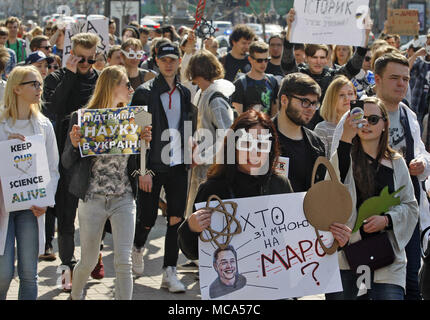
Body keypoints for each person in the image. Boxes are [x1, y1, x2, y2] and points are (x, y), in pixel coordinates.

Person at [178, 109, 352, 262]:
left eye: (261, 145)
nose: (254, 152)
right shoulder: (212, 189)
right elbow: (192, 253)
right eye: (247, 144)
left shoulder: (280, 184)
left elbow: (298, 240)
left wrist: (335, 240)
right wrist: (191, 228)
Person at [62, 65, 151, 300]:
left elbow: (144, 160)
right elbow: (66, 161)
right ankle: (76, 293)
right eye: (126, 84)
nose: (131, 89)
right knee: (88, 261)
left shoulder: (137, 116)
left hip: (124, 197)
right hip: (92, 198)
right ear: (112, 86)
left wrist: (145, 143)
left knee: (124, 260)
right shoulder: (82, 117)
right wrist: (73, 143)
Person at [327, 97, 419, 300]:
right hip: (346, 257)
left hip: (387, 261)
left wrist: (387, 219)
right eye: (360, 118)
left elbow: (411, 207)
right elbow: (328, 197)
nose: (366, 124)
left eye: (373, 119)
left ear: (385, 124)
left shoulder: (397, 163)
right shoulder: (342, 155)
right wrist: (345, 139)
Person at [130, 40, 197, 292]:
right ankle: (137, 247)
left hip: (178, 164)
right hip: (152, 165)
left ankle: (169, 271)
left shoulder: (185, 92)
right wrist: (142, 170)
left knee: (176, 218)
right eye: (164, 59)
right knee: (147, 218)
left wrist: (191, 145)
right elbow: (137, 135)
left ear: (180, 61)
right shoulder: (144, 93)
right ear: (156, 61)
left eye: (173, 59)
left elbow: (188, 122)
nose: (169, 64)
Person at [42, 33, 101, 291]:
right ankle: (66, 265)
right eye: (81, 59)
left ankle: (92, 259)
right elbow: (53, 108)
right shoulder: (55, 78)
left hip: (95, 158)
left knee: (95, 216)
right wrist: (69, 73)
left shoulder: (99, 80)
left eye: (90, 59)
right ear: (71, 55)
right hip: (66, 155)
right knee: (66, 216)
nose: (86, 64)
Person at [372, 52, 430, 300]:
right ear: (377, 79)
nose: (402, 84)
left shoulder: (410, 116)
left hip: (408, 215)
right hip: (373, 217)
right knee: (380, 289)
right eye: (395, 78)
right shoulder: (361, 114)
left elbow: (422, 153)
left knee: (412, 286)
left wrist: (422, 164)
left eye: (405, 79)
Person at [0, 65, 60, 300]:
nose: (39, 88)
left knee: (28, 273)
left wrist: (45, 201)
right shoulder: (1, 124)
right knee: (4, 274)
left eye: (40, 83)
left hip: (31, 209)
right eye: (33, 83)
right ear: (16, 89)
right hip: (4, 208)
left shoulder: (44, 126)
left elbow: (53, 169)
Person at [282, 8, 370, 129]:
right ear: (306, 58)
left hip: (328, 129)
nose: (319, 62)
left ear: (327, 59)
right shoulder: (299, 75)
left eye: (322, 57)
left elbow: (354, 67)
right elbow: (287, 63)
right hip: (301, 129)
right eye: (314, 57)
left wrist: (364, 36)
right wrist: (290, 29)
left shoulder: (333, 76)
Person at [184, 49, 235, 218]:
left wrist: (200, 156)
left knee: (207, 219)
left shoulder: (216, 100)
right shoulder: (202, 94)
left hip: (212, 172)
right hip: (201, 169)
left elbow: (227, 137)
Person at [273, 72, 326, 192]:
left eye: (314, 103)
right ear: (284, 100)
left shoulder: (316, 144)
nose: (311, 109)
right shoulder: (261, 137)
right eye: (305, 102)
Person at [231, 41, 279, 116]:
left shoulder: (272, 81)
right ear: (250, 59)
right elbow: (238, 116)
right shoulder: (240, 83)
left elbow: (274, 114)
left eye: (266, 60)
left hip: (268, 126)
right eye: (259, 60)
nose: (263, 63)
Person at [314, 76, 357, 157]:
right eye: (341, 95)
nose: (347, 98)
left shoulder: (361, 126)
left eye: (350, 94)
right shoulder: (322, 128)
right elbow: (323, 164)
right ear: (331, 99)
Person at [409, 33, 430, 127]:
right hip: (416, 107)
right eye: (428, 43)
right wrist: (415, 55)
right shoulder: (420, 61)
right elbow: (406, 69)